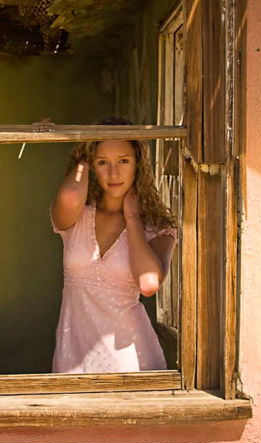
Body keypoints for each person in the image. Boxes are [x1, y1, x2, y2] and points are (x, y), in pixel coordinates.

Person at [50, 118, 178, 373]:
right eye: (102, 162)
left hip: (130, 359)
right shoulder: (77, 217)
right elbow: (71, 194)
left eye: (123, 161)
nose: (113, 173)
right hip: (72, 357)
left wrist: (132, 218)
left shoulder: (157, 227)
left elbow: (148, 284)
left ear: (138, 164)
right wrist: (85, 152)